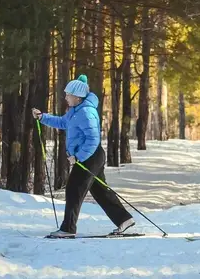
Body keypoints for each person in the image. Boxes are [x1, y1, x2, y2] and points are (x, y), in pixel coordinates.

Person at [32, 75, 134, 238]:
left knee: (74, 189)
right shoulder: (75, 111)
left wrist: (78, 157)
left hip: (90, 156)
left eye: (68, 95)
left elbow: (93, 139)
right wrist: (43, 117)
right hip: (91, 156)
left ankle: (68, 229)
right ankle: (124, 219)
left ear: (77, 97)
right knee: (100, 191)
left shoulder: (86, 112)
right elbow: (62, 122)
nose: (65, 97)